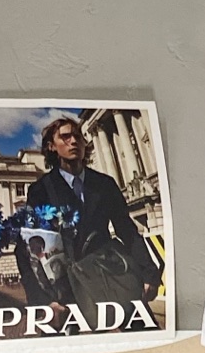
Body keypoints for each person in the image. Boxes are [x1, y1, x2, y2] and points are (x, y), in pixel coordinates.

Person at [28, 117, 161, 320]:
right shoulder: (40, 190)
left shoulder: (105, 184)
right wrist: (43, 301)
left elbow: (127, 230)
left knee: (143, 329)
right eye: (65, 137)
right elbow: (30, 247)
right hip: (67, 287)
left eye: (78, 136)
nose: (74, 141)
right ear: (51, 146)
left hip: (111, 273)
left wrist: (149, 273)